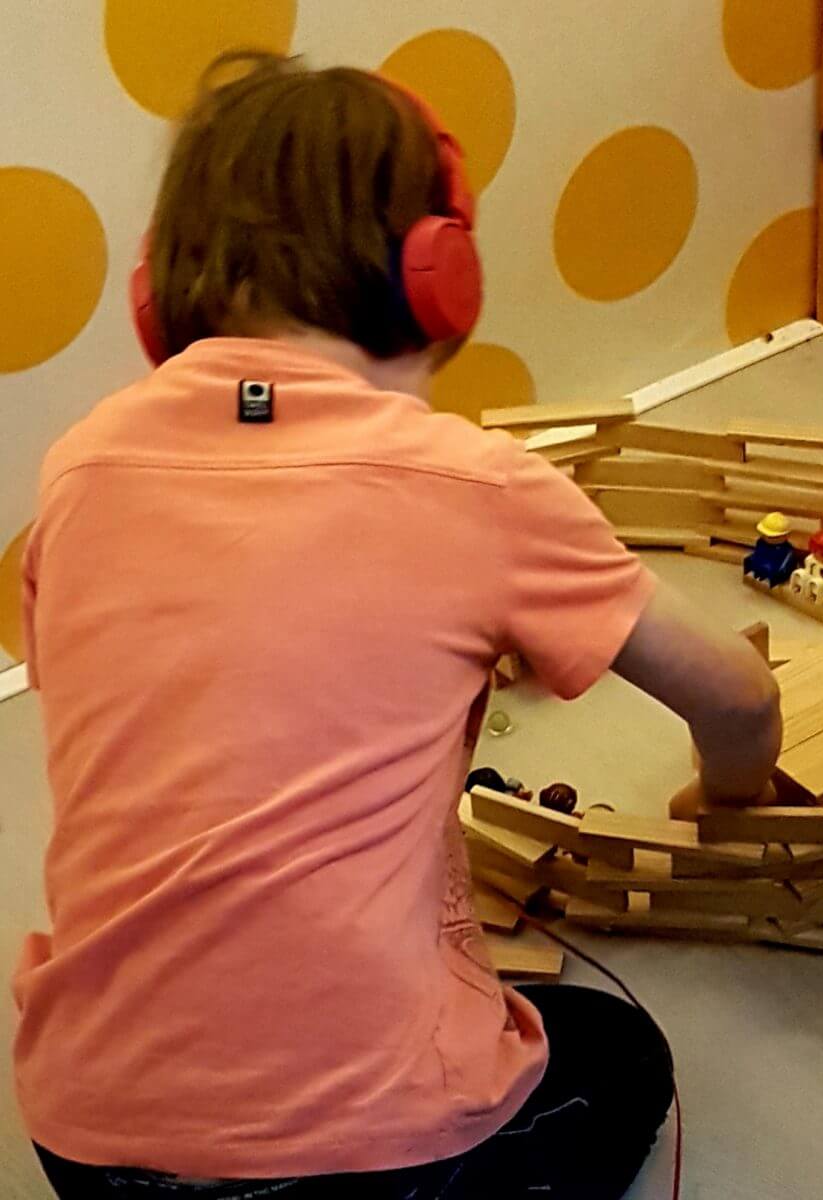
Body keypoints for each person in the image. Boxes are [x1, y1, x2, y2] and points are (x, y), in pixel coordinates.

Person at [13, 53, 782, 1200]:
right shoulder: (476, 486)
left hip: (80, 1137)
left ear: (154, 293)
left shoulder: (76, 471)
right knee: (624, 1057)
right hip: (351, 1168)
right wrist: (729, 791)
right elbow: (739, 696)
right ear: (442, 277)